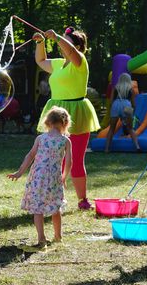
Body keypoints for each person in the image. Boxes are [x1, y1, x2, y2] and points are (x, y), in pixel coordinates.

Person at [32, 26, 100, 210]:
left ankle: (82, 200)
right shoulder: (59, 63)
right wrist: (40, 42)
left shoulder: (80, 61)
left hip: (76, 113)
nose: (62, 45)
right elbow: (41, 60)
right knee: (53, 158)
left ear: (77, 46)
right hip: (56, 113)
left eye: (66, 41)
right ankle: (54, 198)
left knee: (76, 159)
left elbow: (71, 52)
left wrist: (56, 37)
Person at [8, 106, 72, 249]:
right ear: (65, 123)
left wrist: (19, 172)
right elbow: (69, 162)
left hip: (38, 177)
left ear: (47, 122)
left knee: (38, 209)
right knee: (56, 207)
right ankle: (58, 236)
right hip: (54, 178)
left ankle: (41, 238)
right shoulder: (65, 141)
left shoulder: (40, 138)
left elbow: (30, 156)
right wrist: (64, 176)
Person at [105, 73, 141, 153]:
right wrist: (132, 113)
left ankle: (107, 149)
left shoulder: (115, 88)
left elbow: (111, 101)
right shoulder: (131, 90)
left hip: (116, 104)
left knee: (112, 128)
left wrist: (114, 108)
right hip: (127, 104)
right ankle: (137, 146)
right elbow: (133, 104)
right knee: (130, 128)